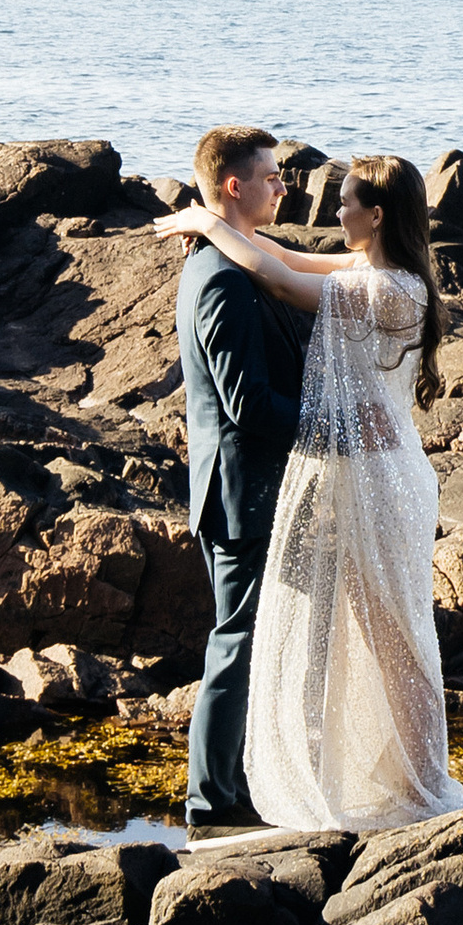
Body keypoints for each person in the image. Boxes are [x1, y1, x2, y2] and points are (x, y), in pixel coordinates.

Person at [157, 149, 462, 833]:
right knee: (370, 626)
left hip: (380, 477)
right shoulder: (375, 270)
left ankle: (423, 782)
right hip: (365, 470)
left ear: (376, 215)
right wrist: (214, 222)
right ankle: (392, 773)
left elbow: (274, 272)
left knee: (393, 632)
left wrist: (206, 221)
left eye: (347, 202)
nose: (335, 211)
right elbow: (283, 256)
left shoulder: (387, 290)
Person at [172, 125, 312, 835]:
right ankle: (212, 802)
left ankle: (240, 786)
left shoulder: (229, 259)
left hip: (249, 487)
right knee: (238, 642)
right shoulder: (222, 279)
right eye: (273, 175)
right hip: (241, 492)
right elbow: (245, 404)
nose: (284, 185)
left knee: (255, 639)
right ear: (236, 185)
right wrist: (327, 427)